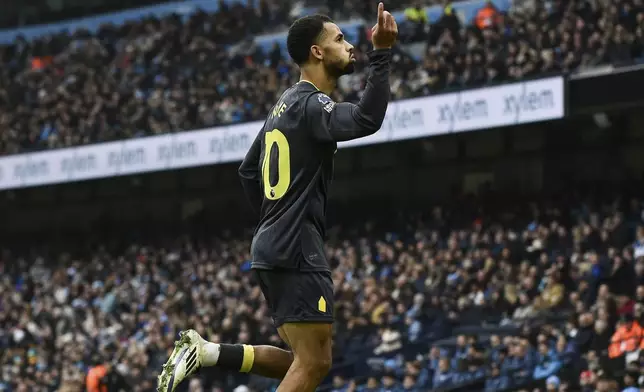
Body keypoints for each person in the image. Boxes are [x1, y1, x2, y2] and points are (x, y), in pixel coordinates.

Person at [156, 3, 397, 392]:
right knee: (314, 363)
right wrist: (382, 54)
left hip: (273, 246)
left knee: (305, 360)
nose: (350, 46)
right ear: (317, 52)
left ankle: (209, 353)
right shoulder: (311, 103)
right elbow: (367, 119)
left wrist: (275, 218)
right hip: (297, 247)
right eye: (339, 39)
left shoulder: (282, 106)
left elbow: (248, 171)